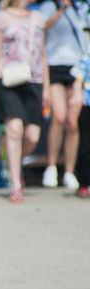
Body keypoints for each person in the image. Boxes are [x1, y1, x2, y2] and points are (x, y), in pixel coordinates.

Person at [0, 0, 49, 203]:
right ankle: (16, 185)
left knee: (33, 136)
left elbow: (43, 56)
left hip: (34, 81)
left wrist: (46, 88)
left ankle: (13, 162)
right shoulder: (1, 18)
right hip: (8, 80)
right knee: (14, 129)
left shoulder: (38, 18)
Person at [39, 0, 88, 189]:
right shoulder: (49, 6)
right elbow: (41, 30)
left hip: (76, 68)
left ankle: (69, 171)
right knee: (59, 117)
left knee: (72, 124)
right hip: (54, 66)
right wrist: (62, 10)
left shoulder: (82, 8)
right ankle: (51, 167)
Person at [69, 48, 90, 197]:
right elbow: (77, 82)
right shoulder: (86, 59)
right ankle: (84, 183)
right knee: (85, 147)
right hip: (87, 105)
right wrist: (77, 94)